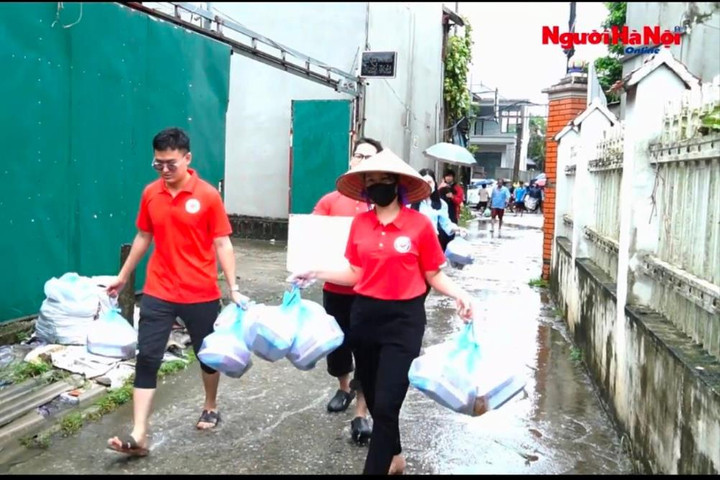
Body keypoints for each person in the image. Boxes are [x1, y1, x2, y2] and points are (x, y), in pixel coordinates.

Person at [290, 149, 474, 475]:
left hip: (404, 322)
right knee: (374, 398)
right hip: (364, 317)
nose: (377, 186)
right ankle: (397, 457)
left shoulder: (418, 226)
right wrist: (315, 272)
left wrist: (460, 294)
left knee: (388, 403)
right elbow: (356, 273)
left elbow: (433, 274)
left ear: (398, 184)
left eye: (384, 181)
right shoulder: (360, 224)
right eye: (371, 181)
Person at [104, 127, 246, 457]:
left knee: (207, 356)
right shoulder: (151, 193)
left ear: (187, 158)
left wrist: (233, 288)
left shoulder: (208, 195)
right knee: (148, 358)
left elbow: (223, 242)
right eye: (158, 165)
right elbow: (143, 236)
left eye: (171, 164)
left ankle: (210, 405)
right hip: (159, 288)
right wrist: (123, 277)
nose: (165, 171)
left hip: (200, 291)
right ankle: (139, 434)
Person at [312, 137, 383, 445]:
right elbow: (310, 236)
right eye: (358, 155)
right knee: (338, 342)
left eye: (370, 157)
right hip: (336, 287)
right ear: (351, 160)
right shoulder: (330, 200)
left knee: (367, 347)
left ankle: (361, 410)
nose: (362, 160)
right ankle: (343, 388)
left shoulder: (383, 205)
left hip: (372, 290)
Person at [410, 168, 466, 252]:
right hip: (412, 243)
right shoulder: (409, 203)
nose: (427, 185)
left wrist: (458, 229)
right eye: (424, 182)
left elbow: (446, 223)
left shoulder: (441, 204)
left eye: (430, 182)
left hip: (432, 242)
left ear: (434, 184)